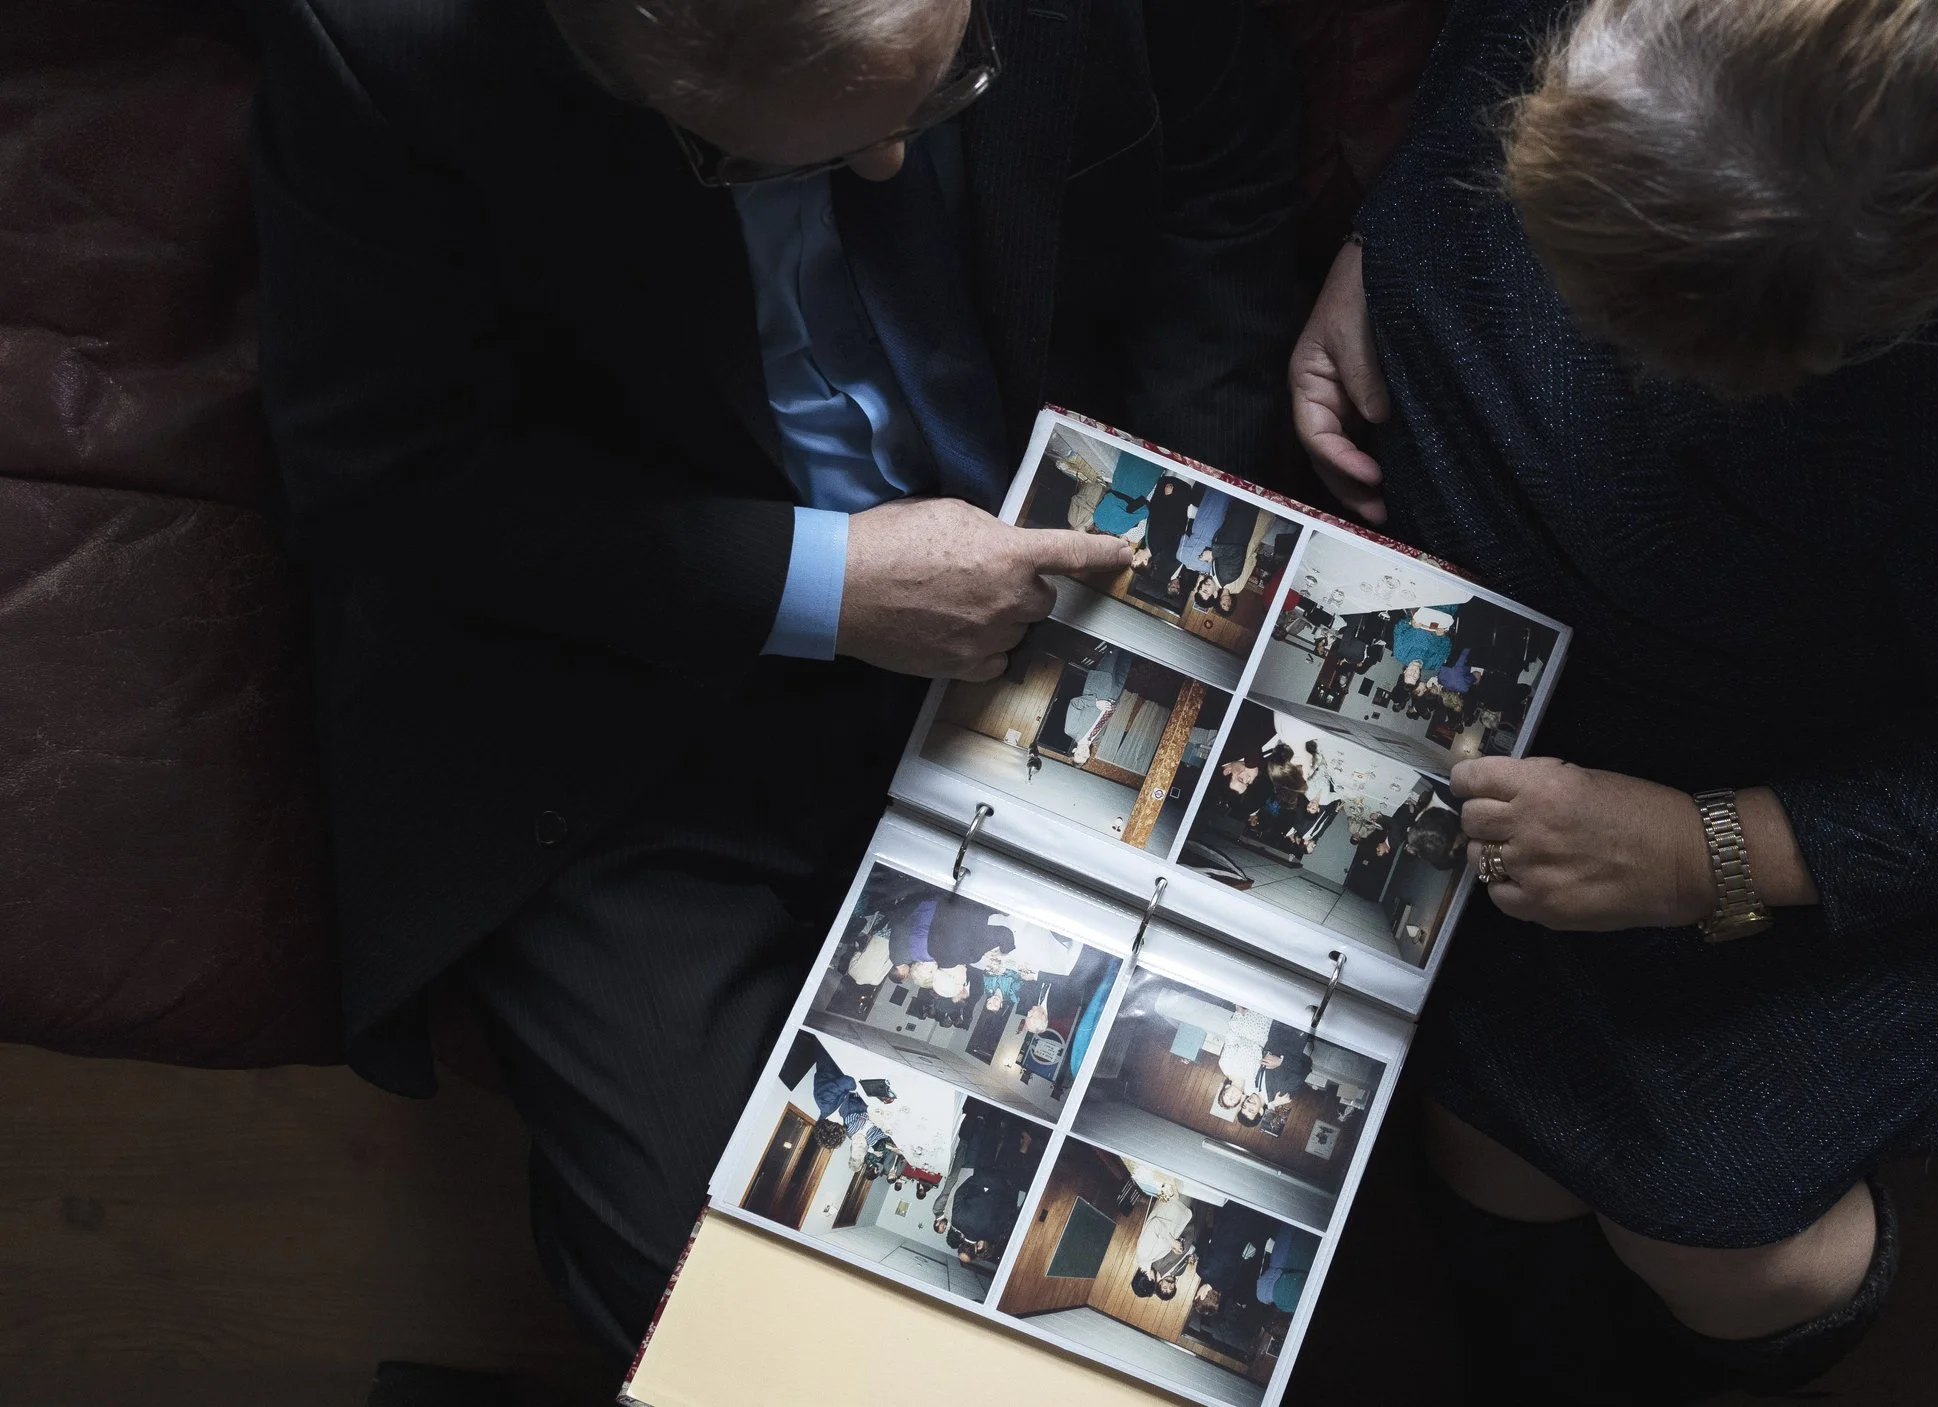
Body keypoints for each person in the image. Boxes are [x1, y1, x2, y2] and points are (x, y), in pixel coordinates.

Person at [248, 0, 1301, 1365]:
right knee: (724, 1306)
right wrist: (821, 586)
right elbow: (384, 482)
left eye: (939, 98)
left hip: (1050, 610)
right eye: (774, 159)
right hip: (633, 686)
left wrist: (1154, 541)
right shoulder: (384, 46)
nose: (884, 174)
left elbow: (1223, 179)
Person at [1288, 0, 1938, 1401]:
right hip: (1554, 526)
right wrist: (1392, 243)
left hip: (1884, 717)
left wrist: (1705, 848)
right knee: (1485, 1130)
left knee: (1693, 1199)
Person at [1129, 1191, 1200, 1300]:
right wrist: (1173, 1246)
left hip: (1174, 1205)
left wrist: (1172, 1242)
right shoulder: (1149, 1260)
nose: (1155, 1279)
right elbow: (1161, 1239)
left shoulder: (1143, 1254)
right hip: (1177, 1211)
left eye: (1153, 1280)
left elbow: (1155, 1224)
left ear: (1148, 1279)